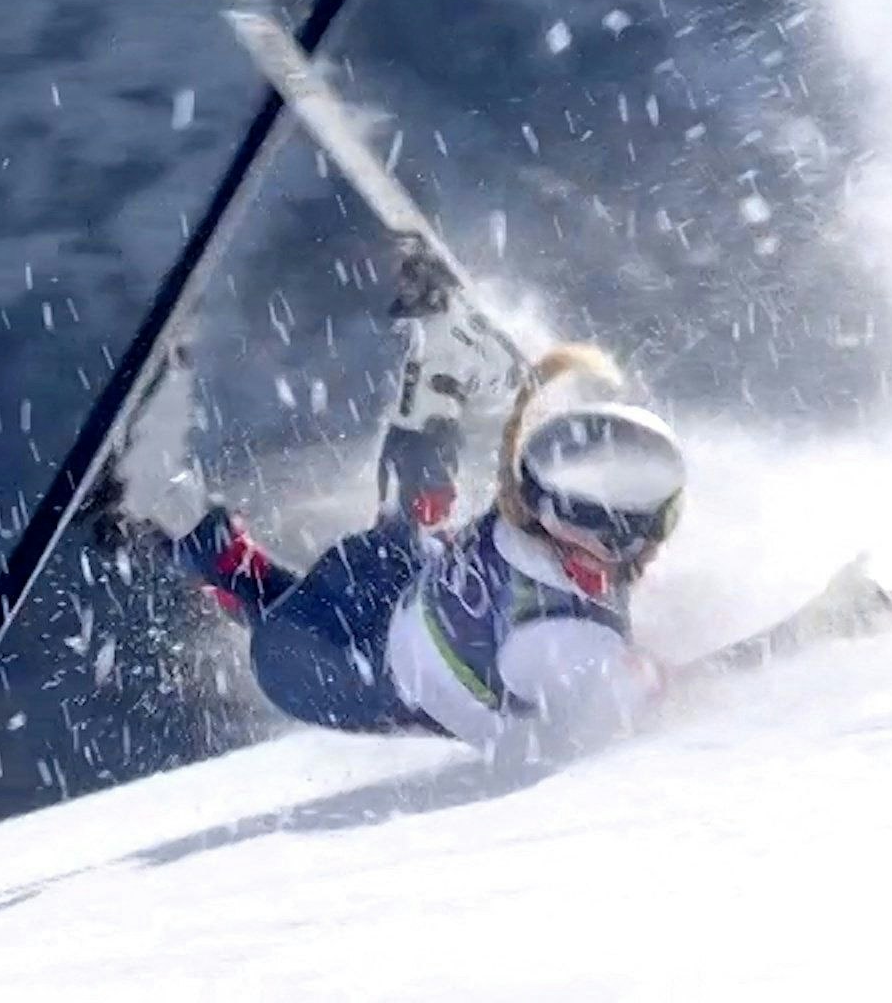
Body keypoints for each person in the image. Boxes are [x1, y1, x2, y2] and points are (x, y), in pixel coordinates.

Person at [102, 346, 719, 760]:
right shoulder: (565, 637)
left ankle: (437, 376)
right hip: (337, 671)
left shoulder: (522, 514)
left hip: (387, 580)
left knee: (413, 520)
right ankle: (162, 511)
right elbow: (644, 708)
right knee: (260, 592)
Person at [378, 238, 523, 527]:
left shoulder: (461, 321)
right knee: (390, 507)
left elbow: (510, 369)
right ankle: (396, 545)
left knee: (429, 514)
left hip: (433, 433)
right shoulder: (410, 323)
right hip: (401, 430)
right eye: (403, 281)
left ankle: (426, 550)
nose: (404, 289)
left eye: (412, 281)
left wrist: (464, 389)